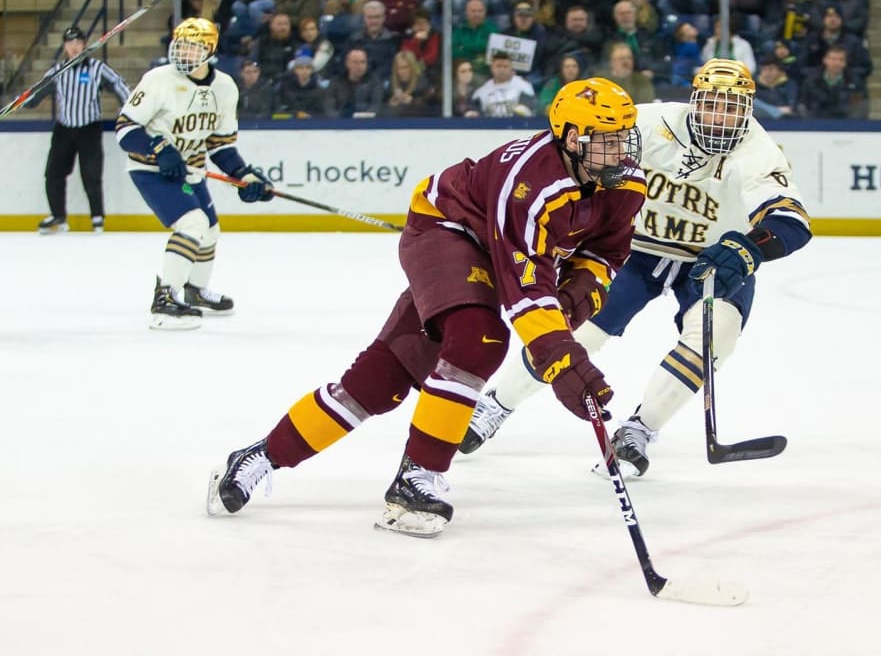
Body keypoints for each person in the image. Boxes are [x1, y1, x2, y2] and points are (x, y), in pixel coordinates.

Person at [206, 78, 646, 538]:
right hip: (447, 231)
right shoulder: (532, 185)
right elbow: (526, 289)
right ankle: (416, 479)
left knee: (379, 381)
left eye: (624, 137)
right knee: (480, 340)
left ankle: (260, 455)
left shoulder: (625, 181)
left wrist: (576, 297)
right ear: (573, 139)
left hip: (497, 252)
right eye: (608, 140)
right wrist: (563, 361)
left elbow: (605, 253)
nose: (621, 150)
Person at [459, 59, 813, 478]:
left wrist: (747, 249)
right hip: (632, 247)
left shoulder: (758, 150)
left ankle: (639, 431)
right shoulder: (650, 122)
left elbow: (791, 222)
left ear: (748, 110)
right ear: (694, 100)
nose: (721, 116)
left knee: (714, 335)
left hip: (709, 261)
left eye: (732, 108)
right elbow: (570, 152)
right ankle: (496, 404)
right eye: (713, 104)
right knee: (579, 329)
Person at [114, 18, 276, 330]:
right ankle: (165, 299)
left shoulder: (225, 87)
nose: (184, 52)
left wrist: (245, 176)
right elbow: (125, 129)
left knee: (210, 231)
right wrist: (159, 148)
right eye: (181, 45)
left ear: (210, 49)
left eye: (193, 46)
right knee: (193, 223)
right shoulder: (158, 79)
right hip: (151, 168)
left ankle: (193, 290)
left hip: (192, 169)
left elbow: (220, 145)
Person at [29, 26, 130, 234]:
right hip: (64, 129)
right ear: (65, 46)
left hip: (89, 129)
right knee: (53, 174)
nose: (73, 47)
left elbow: (118, 85)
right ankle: (58, 216)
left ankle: (97, 217)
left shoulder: (96, 68)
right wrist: (21, 102)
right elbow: (36, 94)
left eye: (77, 43)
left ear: (84, 44)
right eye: (69, 43)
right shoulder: (57, 71)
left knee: (91, 174)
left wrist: (129, 106)